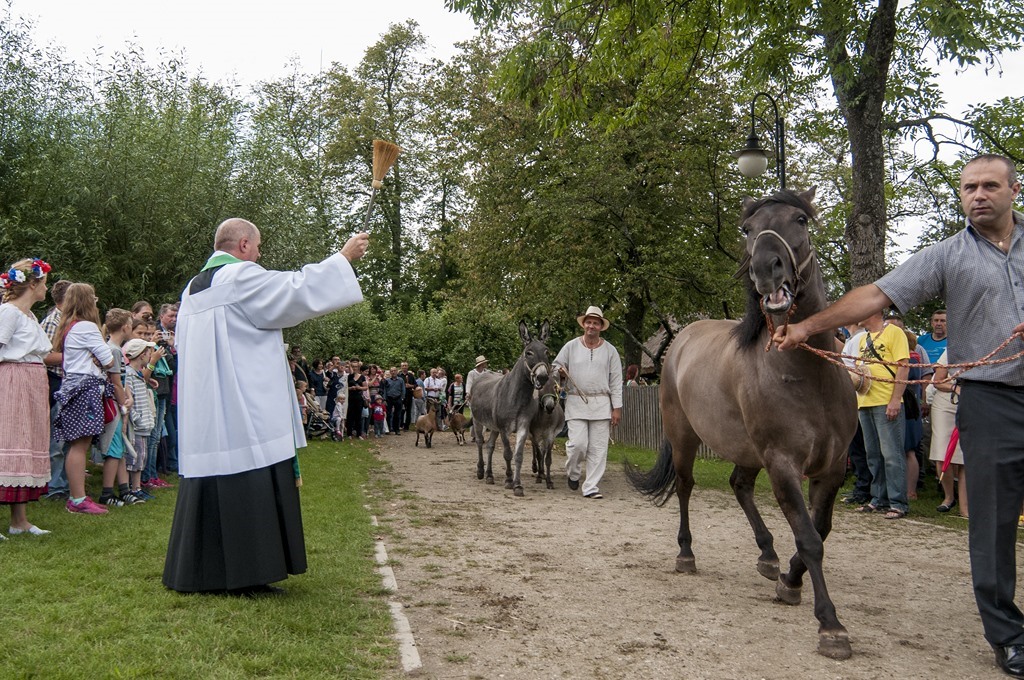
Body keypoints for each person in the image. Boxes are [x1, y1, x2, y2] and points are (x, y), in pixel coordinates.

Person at [774, 154, 1024, 678]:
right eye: (969, 187)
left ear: (1013, 190)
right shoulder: (947, 255)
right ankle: (1008, 636)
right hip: (991, 399)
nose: (979, 195)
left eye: (989, 185)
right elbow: (875, 294)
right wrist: (806, 327)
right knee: (994, 521)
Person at [162, 218, 368, 595]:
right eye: (257, 247)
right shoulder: (238, 277)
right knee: (249, 472)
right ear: (243, 244)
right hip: (244, 404)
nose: (259, 255)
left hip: (209, 407)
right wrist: (343, 258)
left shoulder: (192, 288)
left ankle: (203, 571)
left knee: (213, 480)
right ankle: (248, 572)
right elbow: (295, 290)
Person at [52, 283, 122, 515]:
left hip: (73, 386)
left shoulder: (70, 326)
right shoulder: (87, 327)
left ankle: (78, 495)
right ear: (87, 301)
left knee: (78, 444)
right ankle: (78, 498)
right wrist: (98, 356)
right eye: (93, 298)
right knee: (80, 445)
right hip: (85, 388)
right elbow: (108, 360)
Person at [0, 258, 58, 537]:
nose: (46, 288)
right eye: (44, 283)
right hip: (13, 380)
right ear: (32, 284)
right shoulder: (9, 312)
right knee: (8, 441)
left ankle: (19, 521)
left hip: (32, 381)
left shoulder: (29, 316)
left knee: (25, 442)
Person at [552, 305, 623, 499]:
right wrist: (560, 372)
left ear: (601, 326)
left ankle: (591, 487)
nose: (592, 326)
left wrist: (616, 408)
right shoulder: (571, 346)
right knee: (578, 444)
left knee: (598, 449)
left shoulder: (610, 351)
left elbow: (616, 381)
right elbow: (555, 367)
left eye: (596, 323)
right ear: (584, 324)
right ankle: (573, 472)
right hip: (576, 401)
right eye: (589, 322)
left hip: (602, 403)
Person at [40, 279, 72, 500]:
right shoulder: (53, 322)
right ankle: (54, 486)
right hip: (56, 381)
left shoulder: (71, 321)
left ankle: (66, 482)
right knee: (57, 439)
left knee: (69, 437)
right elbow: (45, 356)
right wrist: (75, 355)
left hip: (69, 383)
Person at [929, 350, 967, 517]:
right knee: (941, 454)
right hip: (945, 403)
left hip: (970, 403)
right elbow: (937, 381)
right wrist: (955, 388)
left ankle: (965, 506)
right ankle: (948, 497)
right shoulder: (951, 350)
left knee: (965, 456)